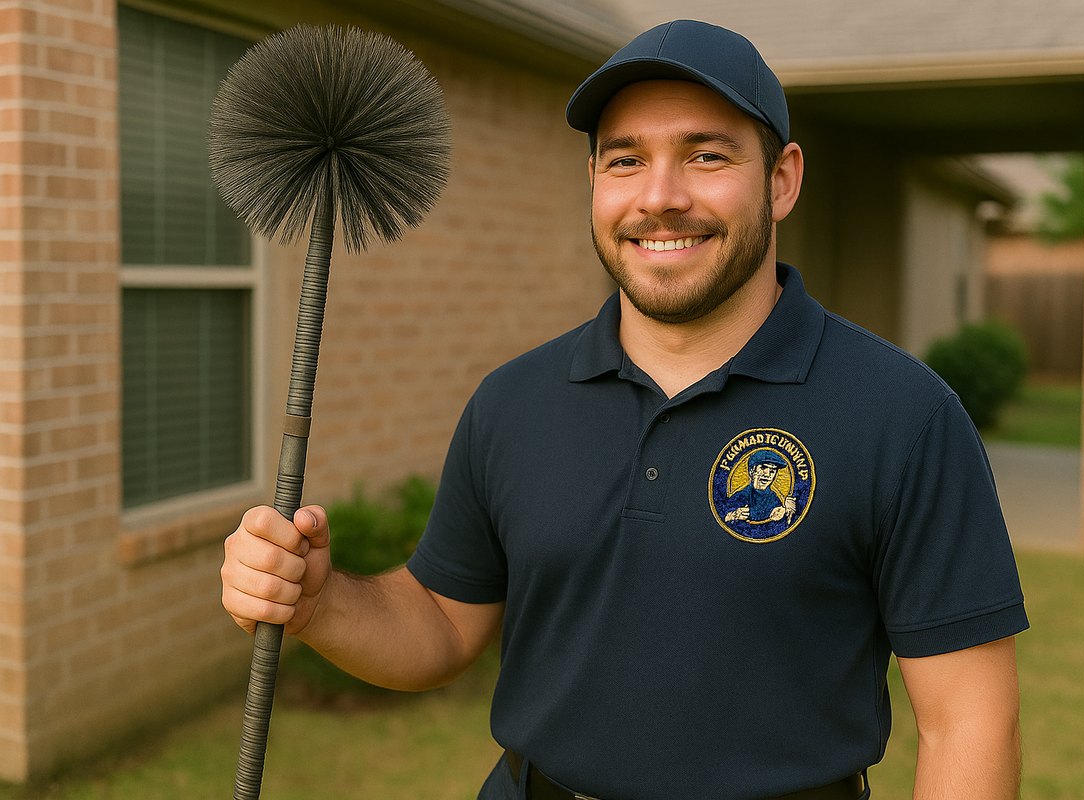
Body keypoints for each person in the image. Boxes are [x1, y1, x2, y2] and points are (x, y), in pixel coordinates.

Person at [221, 19, 1028, 800]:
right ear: (595, 184)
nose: (660, 197)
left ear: (781, 180)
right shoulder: (515, 402)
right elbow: (439, 623)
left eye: (706, 156)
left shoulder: (903, 416)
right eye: (625, 161)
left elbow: (969, 725)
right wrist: (320, 602)